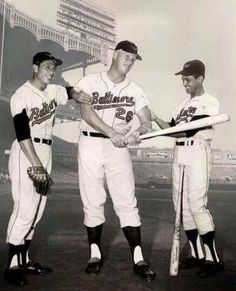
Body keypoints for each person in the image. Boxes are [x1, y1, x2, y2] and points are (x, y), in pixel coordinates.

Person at [73, 40, 156, 281]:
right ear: (115, 55)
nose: (130, 63)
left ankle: (138, 258)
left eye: (133, 60)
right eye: (127, 57)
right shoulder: (89, 81)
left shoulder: (135, 90)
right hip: (91, 143)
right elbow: (86, 113)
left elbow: (146, 120)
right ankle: (95, 255)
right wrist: (112, 133)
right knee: (93, 199)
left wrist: (140, 132)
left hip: (118, 149)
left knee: (126, 201)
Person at [4, 51, 82, 286]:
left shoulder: (53, 90)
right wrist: (36, 164)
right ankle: (12, 266)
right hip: (26, 152)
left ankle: (25, 260)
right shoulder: (21, 95)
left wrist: (79, 95)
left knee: (37, 212)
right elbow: (22, 133)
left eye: (54, 68)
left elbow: (69, 92)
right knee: (24, 209)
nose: (51, 71)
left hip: (46, 151)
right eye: (47, 66)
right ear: (35, 67)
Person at [151, 60, 224, 277]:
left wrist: (162, 131)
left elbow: (185, 132)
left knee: (196, 205)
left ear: (200, 78)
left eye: (188, 79)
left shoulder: (210, 102)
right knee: (181, 208)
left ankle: (213, 259)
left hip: (197, 151)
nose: (185, 83)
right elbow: (173, 128)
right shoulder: (181, 105)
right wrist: (154, 118)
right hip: (179, 152)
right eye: (183, 79)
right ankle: (196, 254)